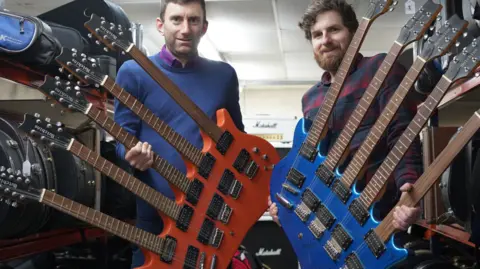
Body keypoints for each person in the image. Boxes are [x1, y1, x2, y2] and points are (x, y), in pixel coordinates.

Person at [268, 0, 438, 232]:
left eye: (334, 30)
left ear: (354, 33)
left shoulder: (381, 68)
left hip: (379, 216)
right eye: (317, 35)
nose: (325, 40)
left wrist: (408, 191)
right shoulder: (310, 99)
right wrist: (286, 204)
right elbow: (312, 165)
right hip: (332, 223)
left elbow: (403, 136)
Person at [113, 0, 244, 267]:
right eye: (176, 20)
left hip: (211, 220)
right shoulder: (133, 72)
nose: (185, 29)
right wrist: (130, 153)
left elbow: (236, 142)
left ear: (204, 27)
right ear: (160, 25)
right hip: (155, 220)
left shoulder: (224, 75)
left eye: (193, 20)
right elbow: (121, 136)